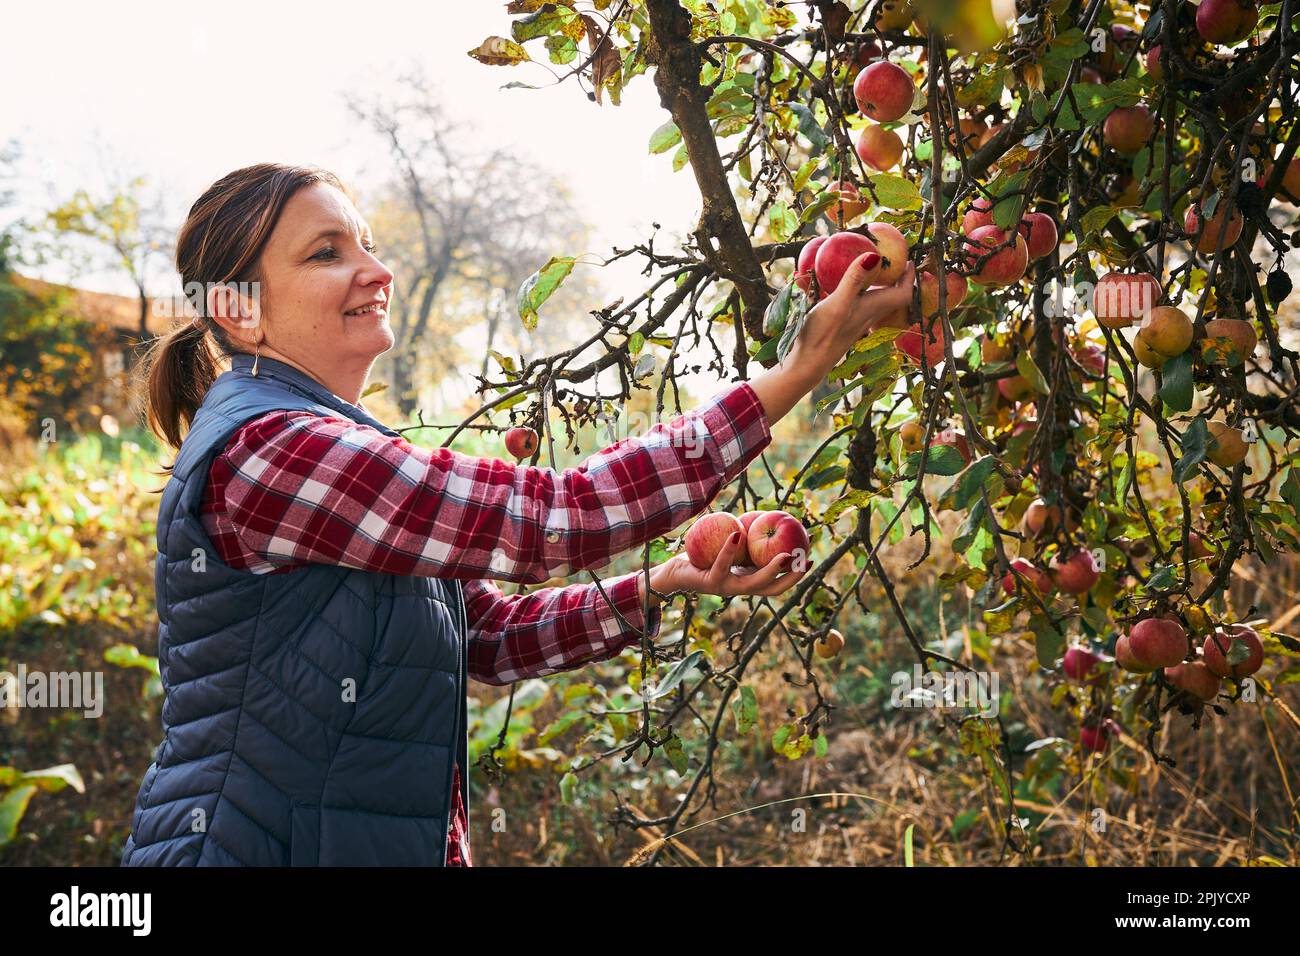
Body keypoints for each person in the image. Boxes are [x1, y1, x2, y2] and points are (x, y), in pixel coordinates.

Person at [119, 162, 915, 866]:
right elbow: (555, 519)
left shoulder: (334, 444)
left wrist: (667, 580)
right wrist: (803, 364)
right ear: (241, 311)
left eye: (365, 242)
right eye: (328, 253)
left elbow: (488, 640)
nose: (376, 269)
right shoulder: (270, 452)